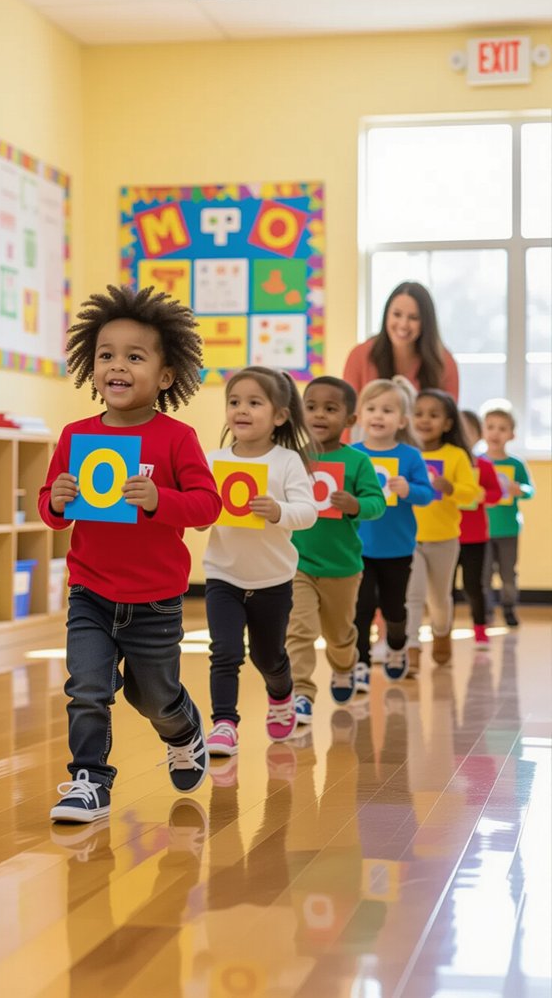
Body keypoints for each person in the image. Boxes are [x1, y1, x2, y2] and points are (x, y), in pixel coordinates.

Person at [38, 284, 222, 822]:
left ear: (166, 376)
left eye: (135, 357)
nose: (117, 366)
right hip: (90, 591)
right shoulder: (76, 436)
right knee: (87, 687)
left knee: (154, 697)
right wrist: (57, 499)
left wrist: (160, 499)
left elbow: (206, 506)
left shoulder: (176, 438)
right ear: (91, 367)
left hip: (156, 599)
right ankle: (89, 781)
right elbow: (52, 511)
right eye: (106, 355)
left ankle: (183, 730)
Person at [200, 365, 317, 757]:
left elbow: (308, 512)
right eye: (234, 402)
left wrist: (279, 510)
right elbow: (200, 510)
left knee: (267, 656)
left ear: (279, 416)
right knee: (225, 651)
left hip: (273, 580)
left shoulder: (287, 461)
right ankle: (224, 724)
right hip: (223, 575)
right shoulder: (214, 460)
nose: (241, 410)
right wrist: (199, 517)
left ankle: (281, 695)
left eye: (254, 403)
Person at [285, 376, 386, 725]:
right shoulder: (293, 457)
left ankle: (344, 667)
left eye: (330, 409)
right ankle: (301, 694)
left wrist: (356, 504)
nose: (319, 415)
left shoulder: (357, 461)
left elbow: (377, 503)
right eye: (311, 407)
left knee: (339, 635)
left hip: (342, 567)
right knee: (299, 629)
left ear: (349, 420)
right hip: (298, 562)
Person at [351, 377, 434, 687]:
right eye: (371, 408)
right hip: (358, 548)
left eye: (387, 410)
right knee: (361, 608)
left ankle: (397, 646)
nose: (378, 415)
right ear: (360, 416)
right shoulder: (353, 454)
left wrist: (409, 489)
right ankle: (360, 662)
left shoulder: (410, 456)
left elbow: (426, 495)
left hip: (397, 548)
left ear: (402, 420)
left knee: (394, 608)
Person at [406, 390, 479, 675]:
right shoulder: (406, 454)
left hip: (444, 539)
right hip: (409, 539)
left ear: (447, 423)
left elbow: (470, 495)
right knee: (413, 596)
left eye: (433, 415)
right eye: (419, 414)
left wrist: (451, 488)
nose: (425, 420)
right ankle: (412, 649)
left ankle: (441, 631)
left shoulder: (456, 455)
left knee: (438, 598)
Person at [343, 282, 459, 442]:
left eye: (413, 318)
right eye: (397, 314)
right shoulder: (360, 355)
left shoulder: (443, 361)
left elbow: (449, 421)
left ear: (425, 322)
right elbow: (347, 417)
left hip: (424, 452)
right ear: (386, 315)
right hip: (368, 450)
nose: (403, 324)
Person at [481, 401, 535, 627]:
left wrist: (519, 489)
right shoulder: (478, 462)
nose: (496, 433)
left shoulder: (516, 464)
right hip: (482, 531)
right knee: (483, 575)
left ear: (511, 434)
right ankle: (485, 611)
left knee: (508, 574)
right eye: (491, 427)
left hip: (508, 530)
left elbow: (529, 491)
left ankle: (509, 608)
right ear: (483, 431)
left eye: (502, 428)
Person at [455, 410, 502, 646]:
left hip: (474, 537)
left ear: (478, 435)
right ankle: (442, 630)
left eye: (469, 431)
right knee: (444, 588)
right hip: (446, 535)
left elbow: (496, 493)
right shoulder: (447, 463)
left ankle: (480, 628)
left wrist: (483, 494)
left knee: (473, 585)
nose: (463, 436)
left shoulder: (483, 465)